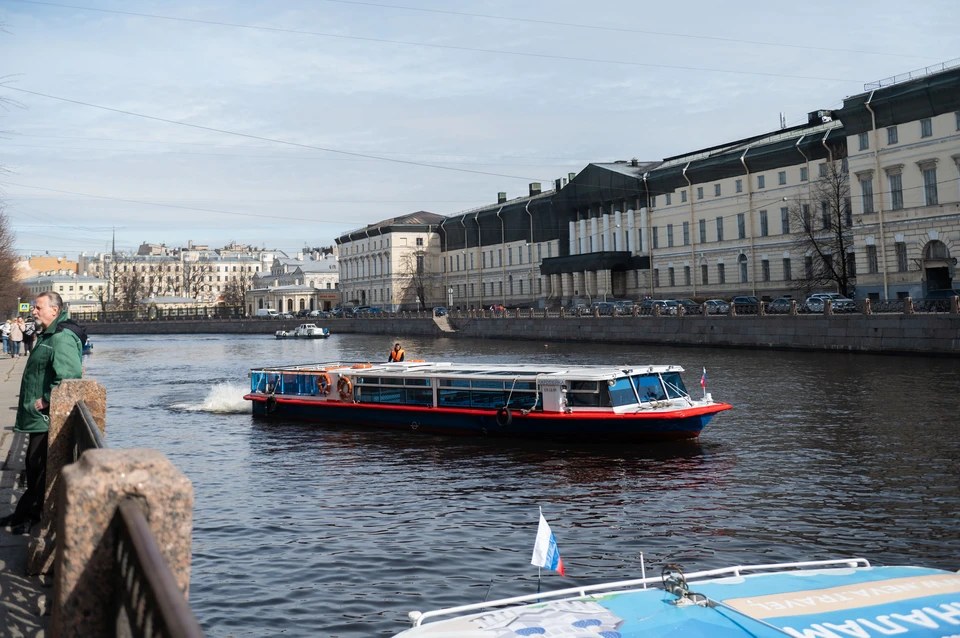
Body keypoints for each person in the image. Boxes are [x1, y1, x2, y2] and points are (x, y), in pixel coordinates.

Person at [0, 292, 84, 535]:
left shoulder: (61, 338)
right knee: (34, 467)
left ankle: (30, 519)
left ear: (54, 311)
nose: (33, 312)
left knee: (38, 468)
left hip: (46, 418)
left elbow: (69, 377)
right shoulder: (49, 335)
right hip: (38, 418)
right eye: (34, 308)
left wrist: (47, 400)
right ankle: (24, 515)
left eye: (38, 308)